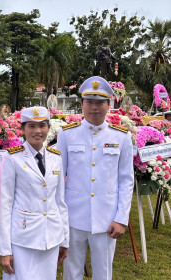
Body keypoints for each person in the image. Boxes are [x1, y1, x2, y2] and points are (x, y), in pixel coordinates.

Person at [56, 76, 134, 280]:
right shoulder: (67, 134)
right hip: (73, 215)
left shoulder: (121, 136)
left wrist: (121, 218)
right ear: (81, 104)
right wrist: (59, 216)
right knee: (71, 271)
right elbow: (57, 176)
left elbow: (126, 180)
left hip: (106, 218)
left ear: (109, 104)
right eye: (89, 101)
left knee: (103, 272)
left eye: (100, 102)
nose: (94, 107)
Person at [0, 107, 69, 280]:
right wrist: (4, 249)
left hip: (51, 236)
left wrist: (64, 240)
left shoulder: (56, 157)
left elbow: (60, 202)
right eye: (31, 126)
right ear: (22, 129)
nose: (37, 131)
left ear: (48, 127)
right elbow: (5, 205)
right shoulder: (13, 158)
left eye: (42, 125)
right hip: (23, 237)